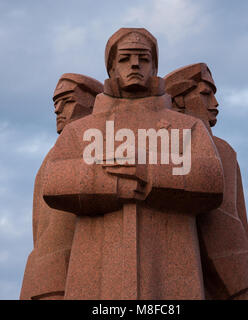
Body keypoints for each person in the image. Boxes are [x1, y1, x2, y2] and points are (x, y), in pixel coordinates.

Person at [42, 28, 225, 299]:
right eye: (125, 58)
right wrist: (111, 181)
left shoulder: (187, 127)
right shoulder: (80, 130)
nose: (135, 64)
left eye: (144, 58)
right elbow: (53, 181)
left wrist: (150, 174)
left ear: (154, 66)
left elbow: (211, 179)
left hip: (171, 270)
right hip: (95, 272)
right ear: (112, 68)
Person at [165, 63, 248, 299]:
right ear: (179, 101)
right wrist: (246, 292)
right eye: (206, 95)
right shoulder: (215, 149)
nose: (215, 104)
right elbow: (224, 233)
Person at [20, 73, 103, 300]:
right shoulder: (54, 154)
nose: (57, 109)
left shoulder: (95, 145)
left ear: (94, 102)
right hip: (45, 272)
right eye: (56, 103)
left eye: (67, 101)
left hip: (67, 274)